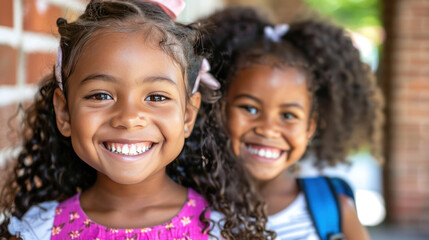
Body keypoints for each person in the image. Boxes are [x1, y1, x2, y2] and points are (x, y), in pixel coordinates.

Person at [0, 0, 213, 238]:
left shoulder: (221, 228)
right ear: (64, 113)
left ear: (187, 115)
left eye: (156, 97)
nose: (129, 118)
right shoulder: (37, 232)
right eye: (101, 95)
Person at [198, 6, 384, 240]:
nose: (267, 129)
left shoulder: (334, 209)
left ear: (310, 126)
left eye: (288, 116)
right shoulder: (192, 213)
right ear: (221, 111)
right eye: (250, 108)